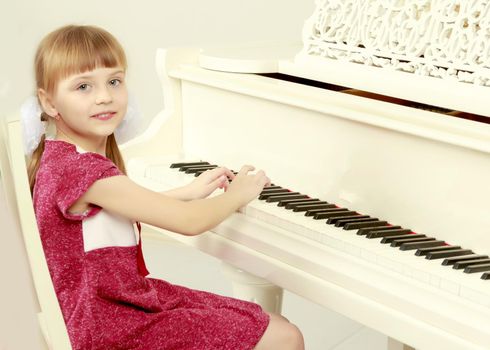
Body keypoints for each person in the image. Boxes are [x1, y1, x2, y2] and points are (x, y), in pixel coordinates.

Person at [26, 24, 304, 350]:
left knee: (276, 324)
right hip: (109, 326)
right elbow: (189, 223)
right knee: (286, 337)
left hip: (113, 308)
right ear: (49, 102)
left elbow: (109, 212)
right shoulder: (81, 170)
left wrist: (185, 193)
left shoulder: (61, 160)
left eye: (114, 81)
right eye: (83, 86)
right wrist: (241, 193)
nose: (104, 96)